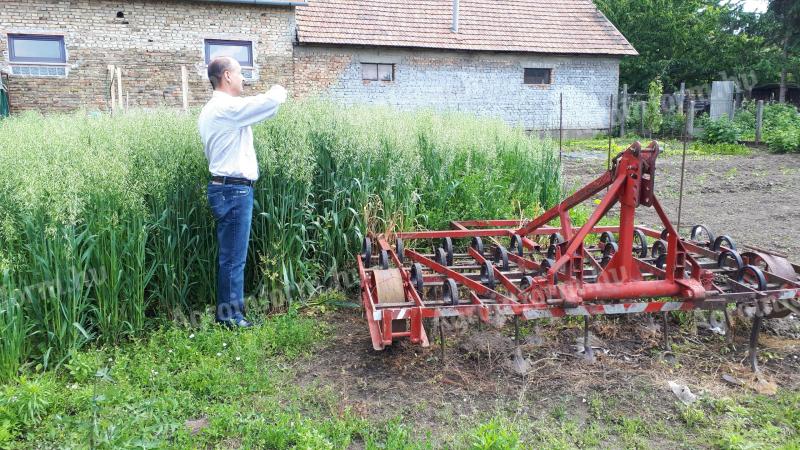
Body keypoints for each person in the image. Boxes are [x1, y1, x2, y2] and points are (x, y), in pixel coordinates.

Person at [198, 56, 287, 328]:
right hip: (234, 191)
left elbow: (261, 112)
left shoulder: (212, 109)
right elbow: (267, 104)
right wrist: (279, 89)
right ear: (226, 76)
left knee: (231, 258)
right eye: (239, 74)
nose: (243, 79)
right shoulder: (226, 108)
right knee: (233, 260)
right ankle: (230, 318)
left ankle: (229, 314)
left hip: (227, 189)